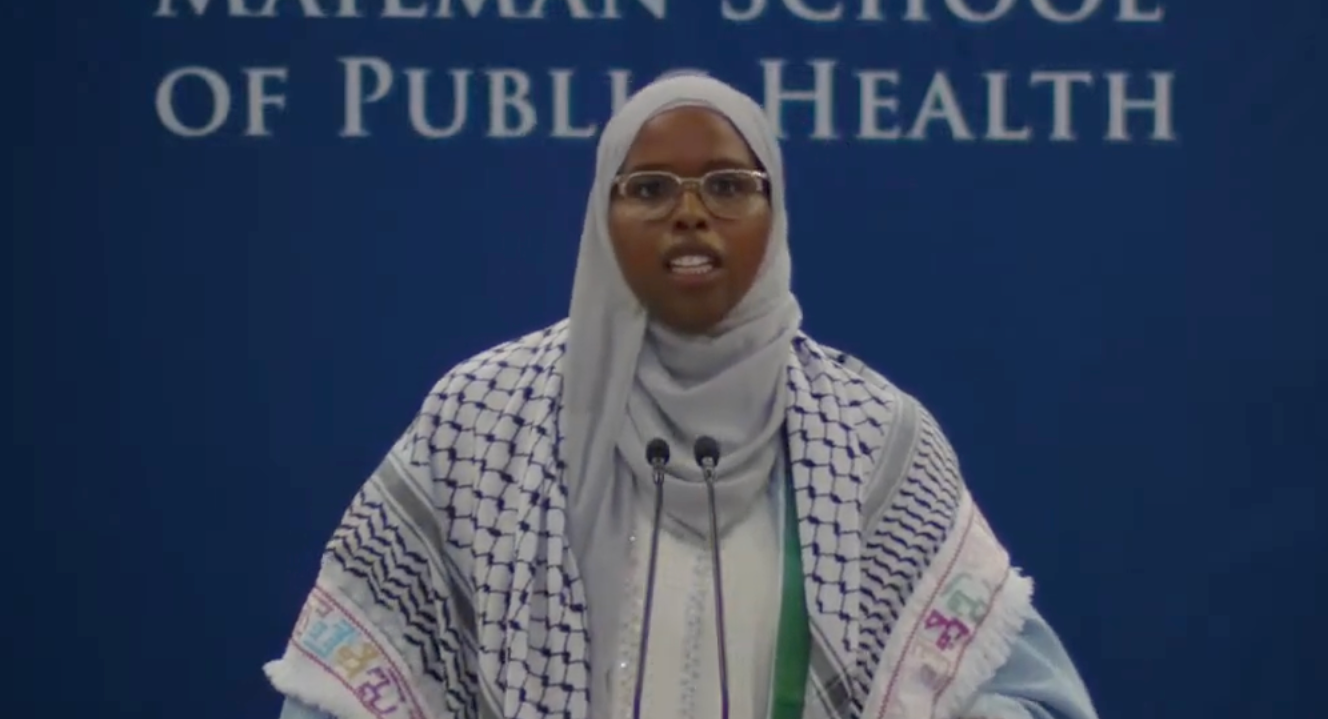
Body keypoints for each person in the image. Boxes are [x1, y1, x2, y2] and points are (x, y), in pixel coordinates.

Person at [264, 73, 1099, 719]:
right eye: (651, 188)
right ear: (603, 212)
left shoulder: (873, 435)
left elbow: (1018, 688)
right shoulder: (481, 419)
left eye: (730, 186)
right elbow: (345, 684)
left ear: (775, 214)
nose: (690, 215)